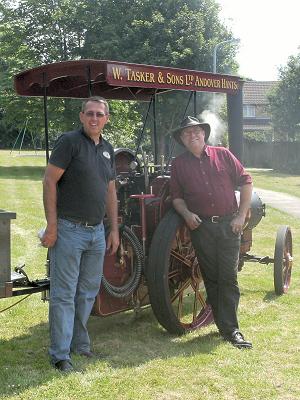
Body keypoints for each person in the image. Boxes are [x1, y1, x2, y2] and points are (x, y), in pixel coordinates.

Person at [41, 96, 119, 371]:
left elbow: (110, 191)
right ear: (81, 116)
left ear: (106, 118)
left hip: (97, 232)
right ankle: (60, 355)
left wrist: (114, 230)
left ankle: (80, 344)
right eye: (90, 114)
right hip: (69, 229)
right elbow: (50, 180)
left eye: (100, 114)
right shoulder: (69, 142)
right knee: (64, 294)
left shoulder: (108, 149)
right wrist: (52, 226)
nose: (94, 118)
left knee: (87, 292)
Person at [170, 116, 253, 349]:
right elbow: (176, 197)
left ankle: (232, 329)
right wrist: (186, 215)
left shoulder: (223, 154)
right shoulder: (179, 165)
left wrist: (240, 215)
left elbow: (246, 181)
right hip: (202, 227)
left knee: (228, 276)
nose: (192, 135)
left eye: (196, 131)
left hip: (229, 224)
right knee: (212, 278)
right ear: (182, 139)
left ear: (204, 134)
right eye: (187, 133)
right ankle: (223, 324)